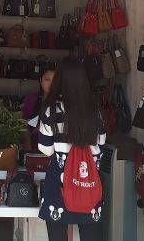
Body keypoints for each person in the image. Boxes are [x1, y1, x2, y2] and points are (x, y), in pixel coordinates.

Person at [38, 57, 106, 241]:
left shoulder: (52, 110)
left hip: (59, 185)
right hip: (89, 182)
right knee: (91, 235)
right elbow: (101, 144)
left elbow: (45, 149)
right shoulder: (95, 112)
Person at [21, 63, 57, 150]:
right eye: (47, 79)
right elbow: (23, 123)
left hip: (55, 148)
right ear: (41, 81)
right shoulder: (30, 99)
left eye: (55, 80)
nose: (51, 84)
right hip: (32, 146)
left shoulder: (63, 103)